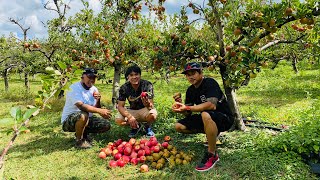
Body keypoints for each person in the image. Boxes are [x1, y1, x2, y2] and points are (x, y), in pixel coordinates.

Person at [172, 62, 234, 172]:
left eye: (193, 73)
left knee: (205, 113)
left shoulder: (210, 83)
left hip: (224, 118)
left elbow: (211, 105)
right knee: (178, 126)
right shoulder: (190, 90)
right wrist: (181, 106)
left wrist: (187, 108)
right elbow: (188, 113)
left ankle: (212, 154)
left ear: (201, 73)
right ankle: (211, 134)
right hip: (208, 118)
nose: (190, 77)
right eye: (188, 74)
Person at [61, 68, 112, 149]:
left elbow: (96, 108)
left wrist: (98, 100)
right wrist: (100, 110)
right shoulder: (74, 88)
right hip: (69, 121)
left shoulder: (94, 89)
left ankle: (83, 133)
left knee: (106, 125)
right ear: (82, 77)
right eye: (89, 77)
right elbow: (81, 106)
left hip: (86, 118)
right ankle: (79, 140)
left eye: (94, 78)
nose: (91, 80)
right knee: (84, 115)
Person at [115, 65, 157, 138]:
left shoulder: (147, 85)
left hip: (144, 109)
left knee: (153, 115)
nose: (134, 77)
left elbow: (151, 106)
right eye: (131, 75)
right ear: (128, 77)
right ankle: (136, 126)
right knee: (118, 120)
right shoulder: (124, 88)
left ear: (140, 75)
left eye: (136, 74)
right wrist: (129, 117)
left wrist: (147, 104)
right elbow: (120, 106)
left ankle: (147, 127)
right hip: (132, 110)